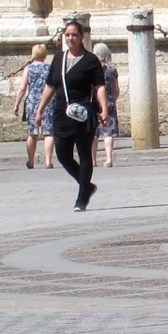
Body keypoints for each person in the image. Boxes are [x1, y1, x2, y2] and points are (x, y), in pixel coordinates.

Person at [33, 20, 108, 211]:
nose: (70, 38)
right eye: (67, 35)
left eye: (74, 35)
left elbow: (99, 87)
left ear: (82, 36)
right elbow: (50, 86)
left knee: (84, 154)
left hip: (83, 114)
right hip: (61, 113)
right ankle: (87, 185)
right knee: (63, 155)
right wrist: (40, 109)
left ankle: (82, 197)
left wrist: (104, 108)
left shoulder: (91, 60)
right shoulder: (58, 59)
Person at [13, 44, 56, 169]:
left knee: (33, 132)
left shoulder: (29, 68)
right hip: (48, 101)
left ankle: (31, 161)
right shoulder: (50, 68)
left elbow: (22, 88)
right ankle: (48, 161)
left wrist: (16, 104)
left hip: (32, 102)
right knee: (49, 132)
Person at [92, 43, 120, 168]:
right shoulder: (112, 70)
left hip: (94, 102)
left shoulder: (91, 69)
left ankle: (92, 160)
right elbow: (116, 89)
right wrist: (112, 99)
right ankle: (109, 158)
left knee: (93, 133)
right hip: (109, 102)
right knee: (108, 132)